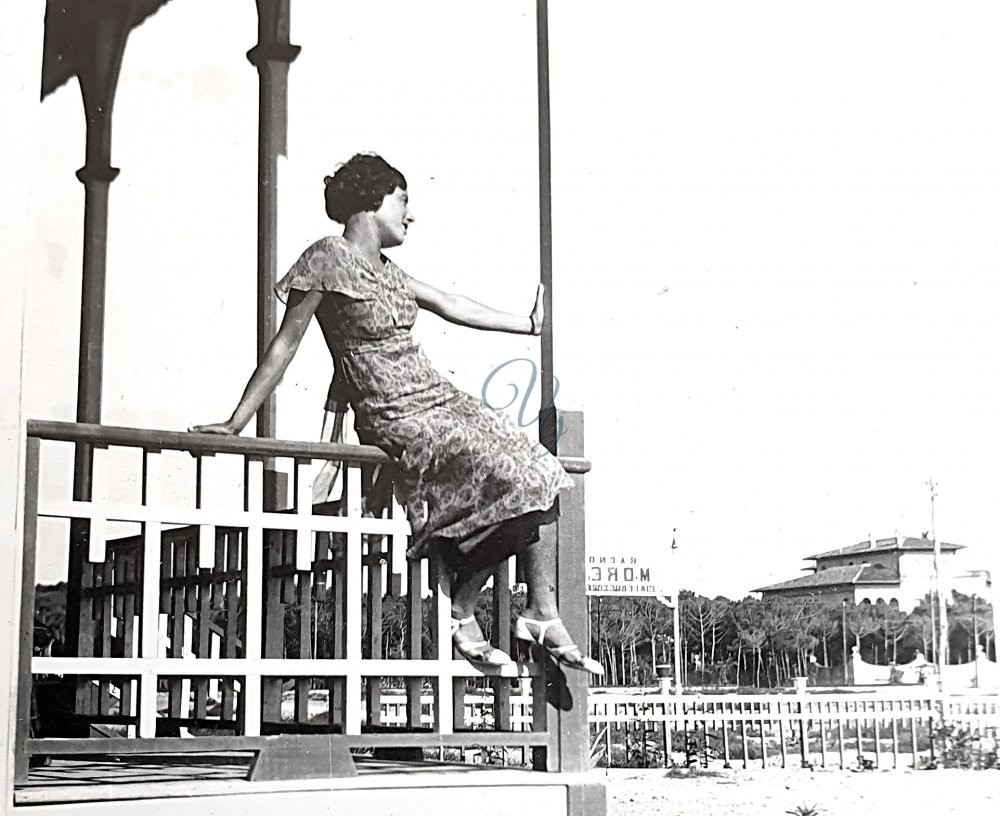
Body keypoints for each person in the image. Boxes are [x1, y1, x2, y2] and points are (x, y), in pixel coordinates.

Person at [191, 153, 602, 675]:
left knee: (541, 468)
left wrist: (526, 324)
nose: (410, 214)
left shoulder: (389, 270)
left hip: (438, 396)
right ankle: (462, 611)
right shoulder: (327, 258)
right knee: (509, 476)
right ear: (370, 200)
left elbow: (450, 302)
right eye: (403, 199)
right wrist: (236, 421)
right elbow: (285, 346)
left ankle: (540, 612)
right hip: (394, 410)